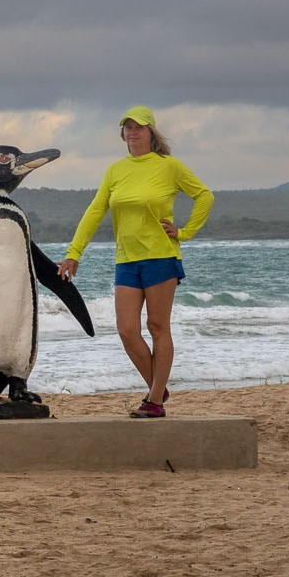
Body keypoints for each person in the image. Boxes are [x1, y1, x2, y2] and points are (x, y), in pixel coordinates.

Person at [55, 106, 216, 418]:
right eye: (127, 127)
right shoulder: (115, 171)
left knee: (157, 327)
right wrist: (74, 253)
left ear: (151, 132)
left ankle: (154, 401)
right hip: (126, 260)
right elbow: (95, 210)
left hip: (160, 257)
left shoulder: (169, 167)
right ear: (122, 134)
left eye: (139, 127)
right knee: (127, 330)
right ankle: (159, 387)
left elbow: (205, 196)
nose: (133, 132)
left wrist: (185, 232)